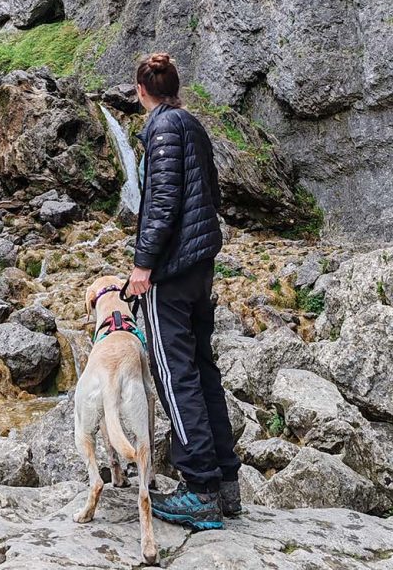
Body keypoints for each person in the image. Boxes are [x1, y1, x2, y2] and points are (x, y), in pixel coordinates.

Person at [128, 52, 241, 530]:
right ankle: (226, 484)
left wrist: (142, 266)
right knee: (201, 366)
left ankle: (198, 489)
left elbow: (161, 204)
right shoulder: (191, 123)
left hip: (171, 272)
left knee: (176, 375)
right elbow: (210, 194)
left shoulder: (160, 129)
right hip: (200, 263)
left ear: (141, 92)